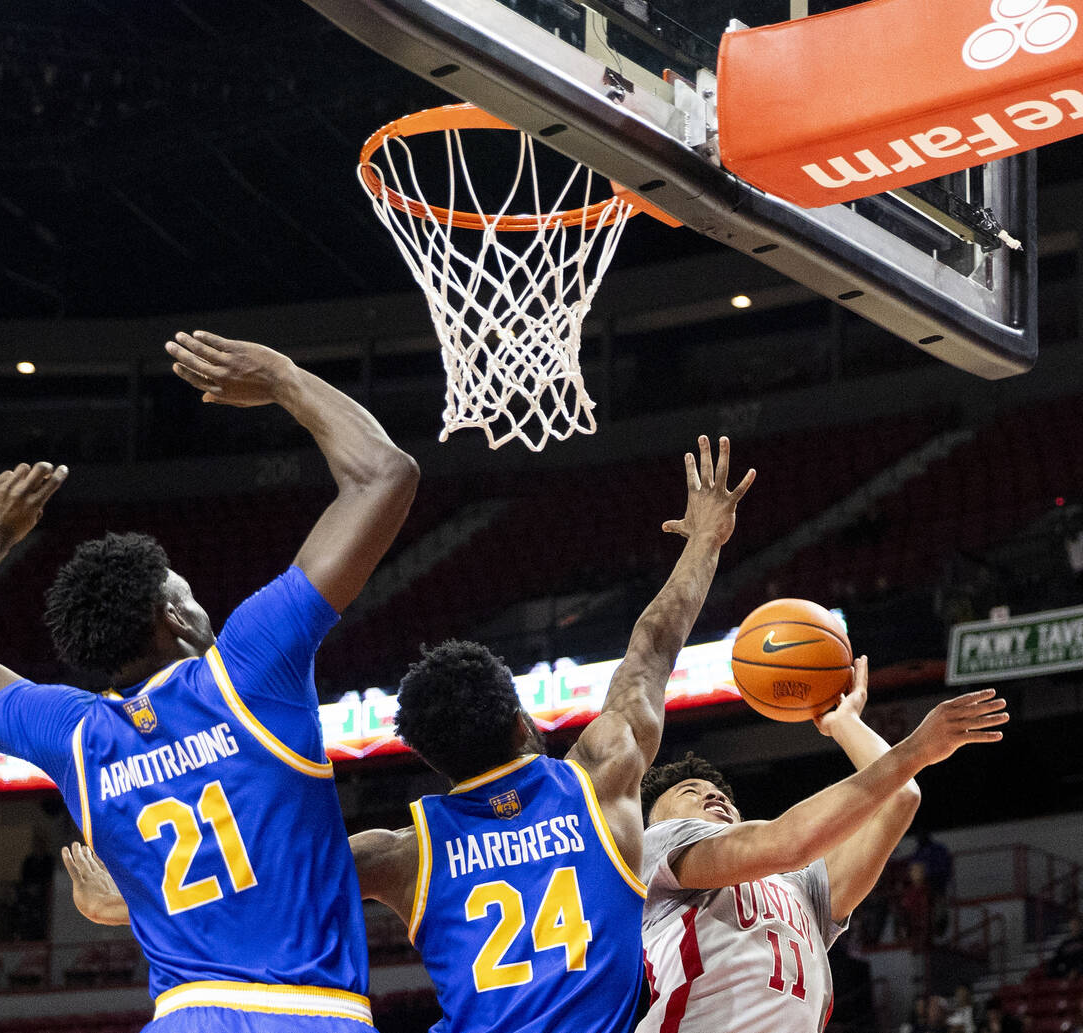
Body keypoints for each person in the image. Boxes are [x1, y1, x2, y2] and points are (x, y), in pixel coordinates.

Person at [67, 434, 755, 1033]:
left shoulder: (406, 853)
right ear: (522, 721)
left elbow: (252, 888)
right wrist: (703, 542)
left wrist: (119, 901)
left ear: (431, 762)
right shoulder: (602, 774)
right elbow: (651, 649)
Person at [0, 331, 419, 1032]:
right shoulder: (249, 667)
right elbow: (384, 474)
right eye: (190, 593)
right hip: (304, 1012)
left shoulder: (76, 734)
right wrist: (283, 376)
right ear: (174, 615)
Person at [636, 667, 1008, 1033]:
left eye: (718, 793)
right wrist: (916, 749)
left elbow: (900, 796)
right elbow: (788, 842)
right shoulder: (660, 848)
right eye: (691, 793)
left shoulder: (800, 889)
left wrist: (844, 723)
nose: (714, 794)